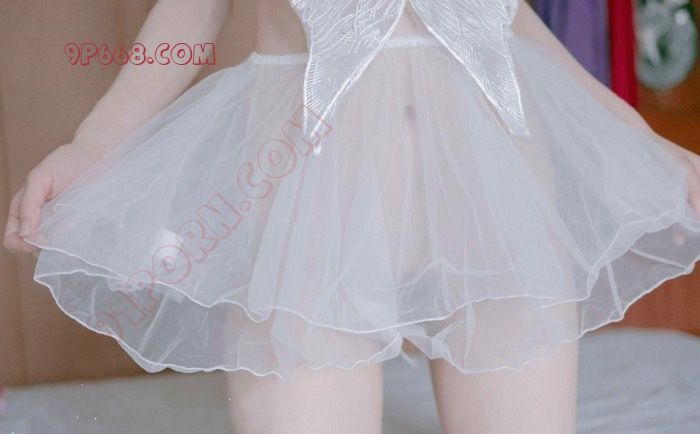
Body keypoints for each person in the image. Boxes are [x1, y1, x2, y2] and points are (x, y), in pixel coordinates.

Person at [4, 1, 700, 433]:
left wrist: (639, 136)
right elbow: (190, 12)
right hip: (306, 209)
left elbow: (510, 16)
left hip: (499, 197)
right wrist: (93, 144)